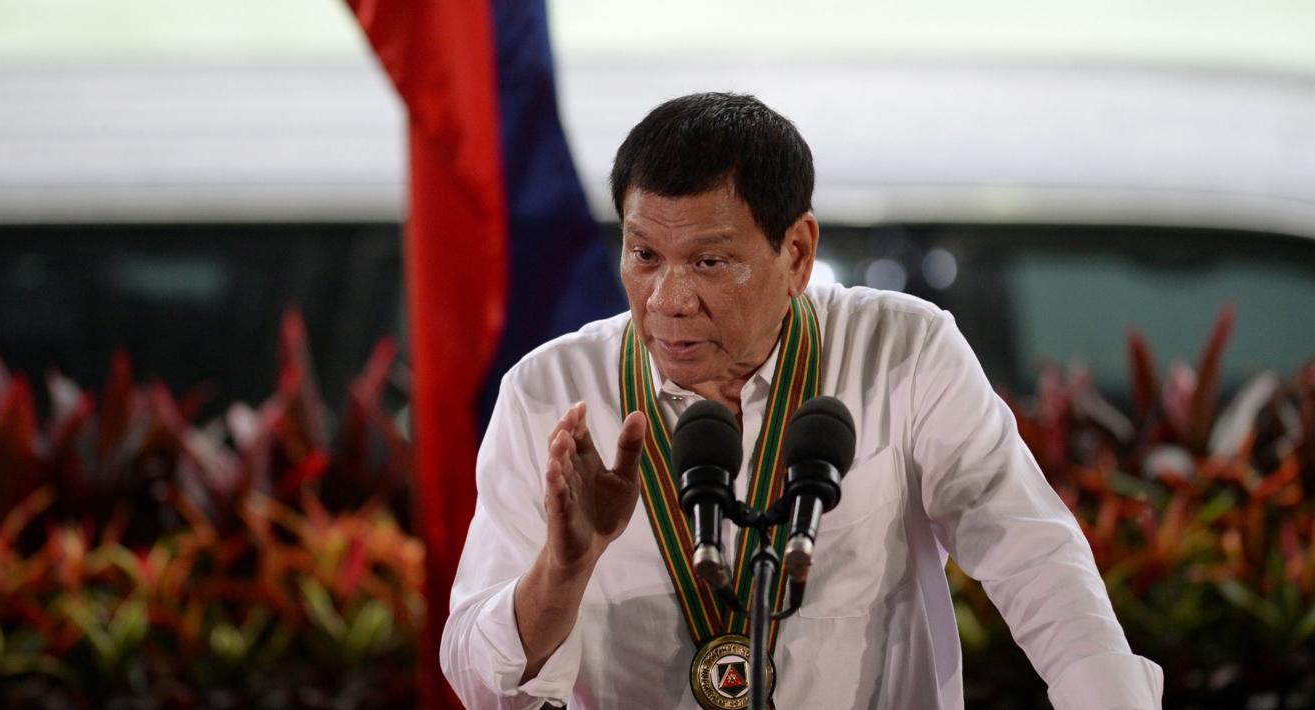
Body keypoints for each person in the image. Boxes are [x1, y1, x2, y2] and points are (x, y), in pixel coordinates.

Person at [441, 92, 1163, 710]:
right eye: (644, 255)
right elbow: (479, 680)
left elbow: (1033, 555)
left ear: (796, 252)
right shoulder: (551, 395)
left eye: (709, 261)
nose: (667, 300)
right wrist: (564, 570)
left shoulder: (903, 352)